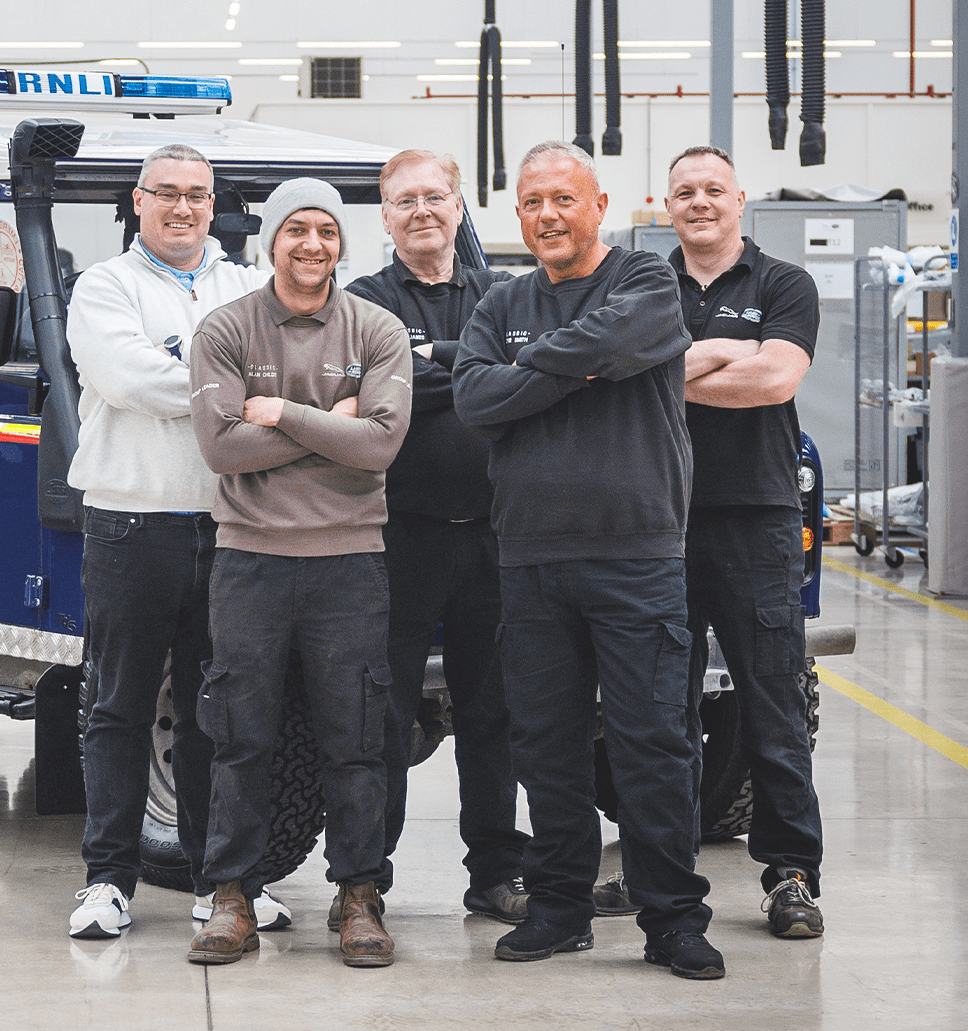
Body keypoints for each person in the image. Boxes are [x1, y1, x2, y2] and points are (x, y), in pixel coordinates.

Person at [451, 142, 723, 980]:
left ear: (597, 203)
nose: (547, 216)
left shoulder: (646, 282)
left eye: (563, 199)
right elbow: (473, 398)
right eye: (532, 202)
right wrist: (582, 364)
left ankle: (672, 917)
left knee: (653, 743)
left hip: (636, 553)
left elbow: (628, 336)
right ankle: (562, 907)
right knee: (546, 746)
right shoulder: (500, 302)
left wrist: (530, 365)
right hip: (529, 559)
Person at [63, 144, 291, 939]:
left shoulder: (246, 286)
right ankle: (106, 881)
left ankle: (220, 881)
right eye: (167, 193)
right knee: (120, 706)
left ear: (213, 203)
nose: (184, 208)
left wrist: (194, 370)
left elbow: (285, 377)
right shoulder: (104, 286)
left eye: (197, 195)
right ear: (138, 200)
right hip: (131, 521)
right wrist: (235, 385)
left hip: (230, 524)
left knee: (214, 713)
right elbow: (129, 379)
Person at [185, 178, 411, 967]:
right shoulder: (225, 328)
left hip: (351, 563)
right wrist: (333, 424)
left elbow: (382, 445)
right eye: (296, 230)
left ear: (341, 241)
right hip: (250, 562)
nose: (312, 244)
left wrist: (277, 411)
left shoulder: (377, 328)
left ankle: (358, 897)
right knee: (239, 737)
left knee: (355, 739)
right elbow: (221, 449)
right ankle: (231, 897)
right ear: (271, 240)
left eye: (325, 230)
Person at [343, 150, 529, 926]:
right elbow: (363, 394)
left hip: (494, 540)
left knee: (494, 713)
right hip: (396, 540)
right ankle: (365, 882)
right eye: (404, 200)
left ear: (459, 206)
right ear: (385, 215)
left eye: (435, 197)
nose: (421, 210)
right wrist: (472, 372)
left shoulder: (507, 295)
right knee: (380, 714)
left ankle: (495, 872)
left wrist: (428, 368)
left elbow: (523, 383)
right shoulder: (362, 302)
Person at [666, 144, 825, 937]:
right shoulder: (643, 285)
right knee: (659, 705)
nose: (701, 201)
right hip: (660, 522)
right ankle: (663, 869)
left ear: (739, 200)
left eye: (714, 190)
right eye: (686, 191)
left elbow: (776, 380)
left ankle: (792, 873)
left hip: (757, 520)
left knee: (773, 702)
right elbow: (622, 378)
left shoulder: (783, 283)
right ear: (669, 207)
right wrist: (730, 351)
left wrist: (675, 370)